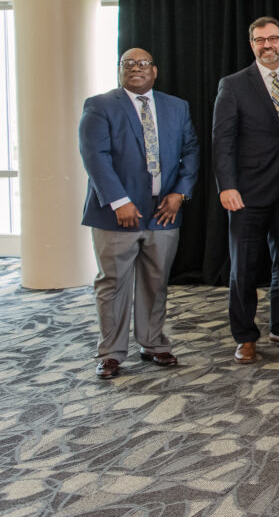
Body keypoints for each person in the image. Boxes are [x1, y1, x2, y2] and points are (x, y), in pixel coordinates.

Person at [80, 48, 199, 379]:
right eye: (127, 64)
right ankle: (111, 353)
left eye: (142, 63)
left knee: (156, 281)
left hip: (163, 213)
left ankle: (153, 343)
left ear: (155, 71)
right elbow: (95, 156)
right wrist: (120, 201)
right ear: (119, 71)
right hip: (117, 216)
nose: (135, 68)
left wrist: (179, 194)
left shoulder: (177, 107)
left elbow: (191, 152)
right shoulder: (100, 105)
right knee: (114, 283)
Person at [212, 16, 279, 364]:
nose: (267, 45)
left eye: (272, 39)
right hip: (247, 193)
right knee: (244, 267)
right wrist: (227, 186)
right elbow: (222, 140)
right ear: (252, 45)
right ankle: (245, 335)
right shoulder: (234, 85)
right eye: (259, 40)